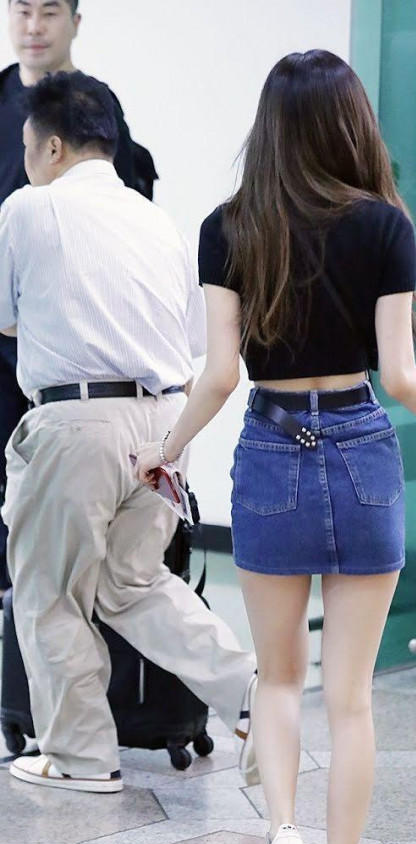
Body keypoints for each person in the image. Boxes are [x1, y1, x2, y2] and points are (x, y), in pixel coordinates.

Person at [135, 49, 416, 844]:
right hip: (359, 449)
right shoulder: (385, 225)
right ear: (351, 124)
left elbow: (220, 375)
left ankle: (282, 831)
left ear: (269, 128)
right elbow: (399, 374)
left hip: (272, 449)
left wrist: (167, 447)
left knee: (278, 676)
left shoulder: (228, 227)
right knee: (351, 700)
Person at [0, 71, 257, 793]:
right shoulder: (158, 221)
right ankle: (248, 689)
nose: (26, 161)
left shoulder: (29, 208)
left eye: (27, 147)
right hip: (164, 425)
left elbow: (4, 316)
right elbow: (192, 337)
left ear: (53, 147)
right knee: (135, 581)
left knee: (50, 592)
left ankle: (81, 758)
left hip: (75, 423)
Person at [0, 0, 138, 604]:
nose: (34, 26)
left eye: (49, 12)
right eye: (22, 10)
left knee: (59, 512)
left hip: (68, 346)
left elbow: (121, 218)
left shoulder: (96, 107)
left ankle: (46, 618)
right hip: (5, 329)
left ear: (75, 22)